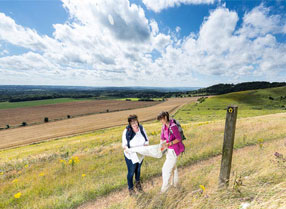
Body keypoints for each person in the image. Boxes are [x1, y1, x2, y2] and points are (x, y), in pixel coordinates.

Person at [157, 111, 185, 193]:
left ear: (165, 117)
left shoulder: (173, 126)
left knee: (165, 169)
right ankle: (175, 184)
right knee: (173, 168)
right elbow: (162, 138)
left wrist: (169, 143)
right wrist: (161, 145)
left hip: (174, 151)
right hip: (168, 151)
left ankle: (164, 190)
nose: (161, 121)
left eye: (161, 119)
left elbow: (179, 139)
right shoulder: (164, 126)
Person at [122, 114, 149, 196]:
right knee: (131, 172)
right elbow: (124, 145)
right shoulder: (127, 131)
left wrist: (146, 144)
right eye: (132, 122)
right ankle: (131, 189)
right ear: (130, 123)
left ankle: (138, 184)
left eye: (135, 121)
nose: (134, 123)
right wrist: (127, 149)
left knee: (138, 169)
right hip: (131, 155)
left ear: (137, 121)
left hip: (140, 153)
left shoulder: (141, 128)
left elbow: (146, 139)